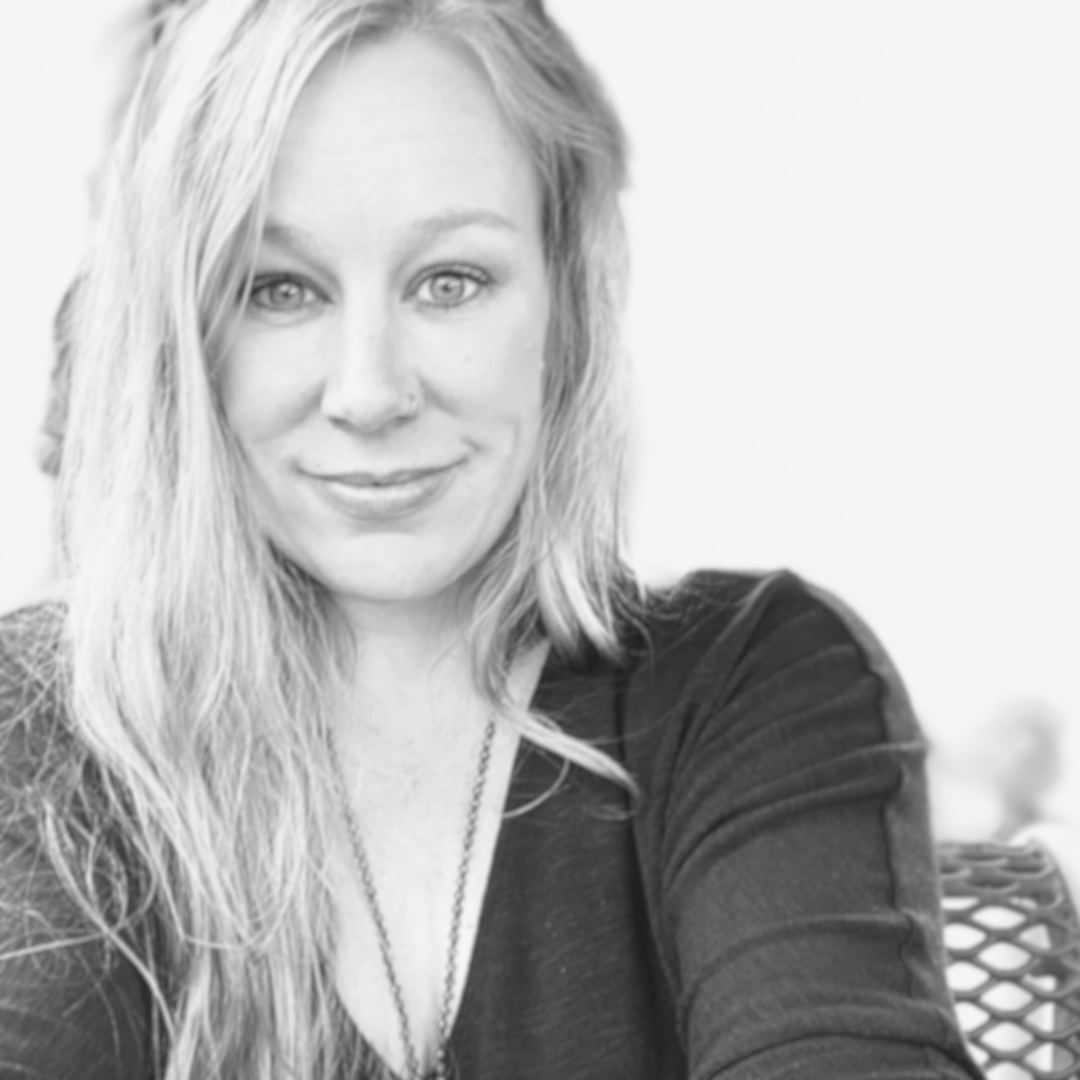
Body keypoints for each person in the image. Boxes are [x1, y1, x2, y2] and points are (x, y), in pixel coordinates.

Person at [0, 1, 983, 1078]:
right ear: (184, 339)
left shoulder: (756, 685)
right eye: (277, 289)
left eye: (450, 281)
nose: (369, 391)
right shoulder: (46, 736)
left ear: (565, 305)